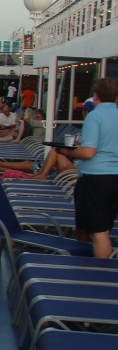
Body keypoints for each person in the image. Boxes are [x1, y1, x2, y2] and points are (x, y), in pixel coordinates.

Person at [57, 78, 118, 258]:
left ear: (96, 96)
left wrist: (67, 151)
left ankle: (99, 275)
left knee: (100, 232)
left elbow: (88, 152)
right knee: (101, 225)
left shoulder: (95, 116)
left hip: (97, 178)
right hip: (115, 178)